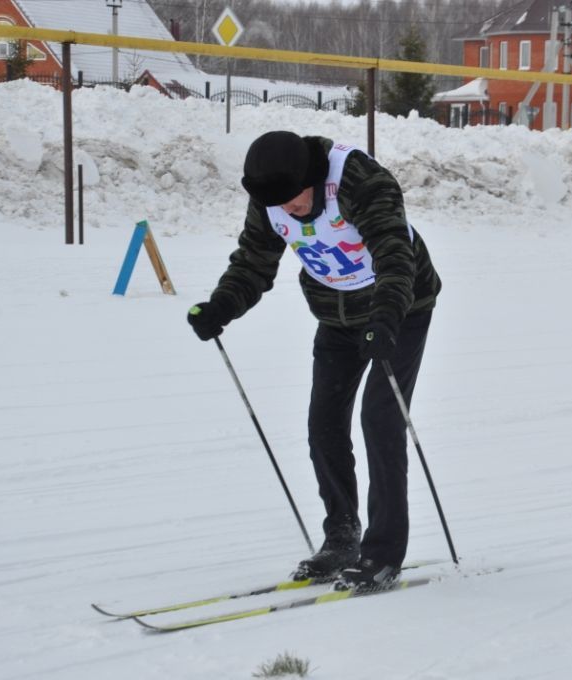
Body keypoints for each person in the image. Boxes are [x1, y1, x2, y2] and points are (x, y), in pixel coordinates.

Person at [187, 131, 442, 591]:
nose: (288, 210)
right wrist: (221, 306)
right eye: (278, 205)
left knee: (379, 420)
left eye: (294, 199)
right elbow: (253, 261)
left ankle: (382, 555)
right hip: (337, 313)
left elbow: (393, 255)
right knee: (323, 423)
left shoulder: (360, 181)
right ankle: (341, 538)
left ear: (313, 178)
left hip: (399, 309)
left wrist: (385, 317)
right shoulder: (271, 194)